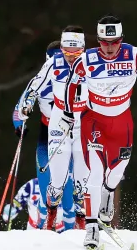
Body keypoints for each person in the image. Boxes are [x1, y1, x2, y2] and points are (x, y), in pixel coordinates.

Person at [67, 15, 137, 250]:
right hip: (94, 120)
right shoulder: (86, 59)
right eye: (105, 42)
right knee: (95, 172)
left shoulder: (135, 55)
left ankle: (108, 194)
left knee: (117, 169)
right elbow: (71, 85)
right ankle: (91, 228)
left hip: (122, 121)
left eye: (114, 42)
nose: (109, 47)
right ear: (98, 41)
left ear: (121, 39)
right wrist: (69, 114)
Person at [15, 32, 85, 232]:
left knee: (72, 188)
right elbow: (19, 107)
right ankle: (43, 229)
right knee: (49, 184)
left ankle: (74, 231)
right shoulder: (45, 77)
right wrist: (19, 124)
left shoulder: (80, 74)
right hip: (49, 133)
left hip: (76, 130)